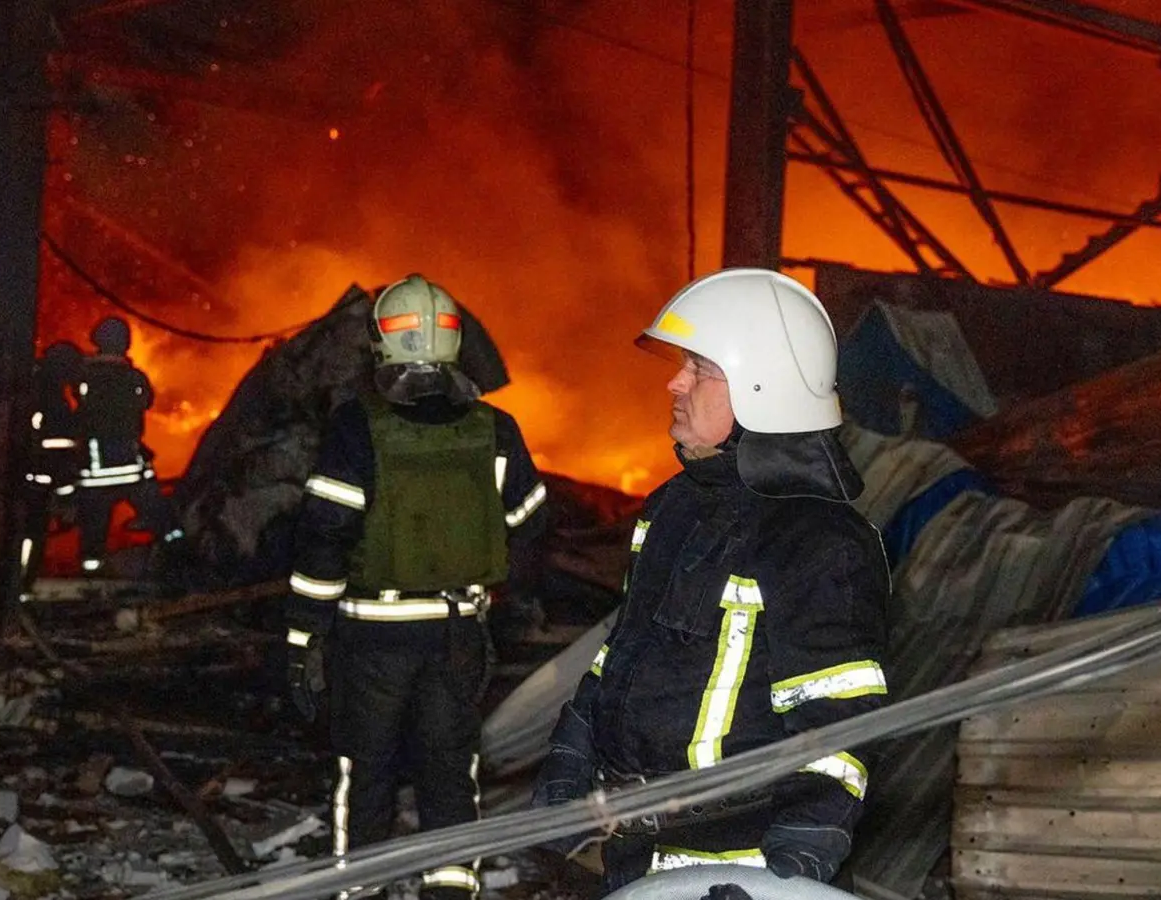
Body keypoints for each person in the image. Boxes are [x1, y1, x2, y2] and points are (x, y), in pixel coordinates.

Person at [531, 268, 891, 891]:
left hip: (741, 868)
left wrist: (800, 852)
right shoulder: (672, 508)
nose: (675, 381)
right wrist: (573, 749)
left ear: (764, 386)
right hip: (636, 851)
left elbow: (839, 717)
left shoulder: (819, 540)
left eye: (699, 368)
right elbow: (623, 655)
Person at [284, 274, 548, 900]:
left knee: (366, 771)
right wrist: (498, 599)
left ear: (381, 342)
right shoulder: (496, 428)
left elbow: (325, 537)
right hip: (457, 633)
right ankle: (452, 890)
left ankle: (364, 892)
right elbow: (532, 525)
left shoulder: (356, 429)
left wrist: (301, 638)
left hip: (371, 638)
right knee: (450, 773)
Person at [72, 316, 182, 574]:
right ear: (126, 344)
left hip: (95, 469)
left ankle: (90, 574)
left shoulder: (85, 375)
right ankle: (180, 555)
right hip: (130, 463)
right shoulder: (134, 378)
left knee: (94, 527)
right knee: (159, 514)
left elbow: (79, 399)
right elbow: (146, 402)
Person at [19, 341, 85, 599]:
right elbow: (59, 451)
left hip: (19, 480)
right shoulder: (53, 402)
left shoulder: (30, 385)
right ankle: (20, 586)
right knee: (30, 534)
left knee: (18, 533)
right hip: (35, 484)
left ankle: (15, 585)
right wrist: (67, 499)